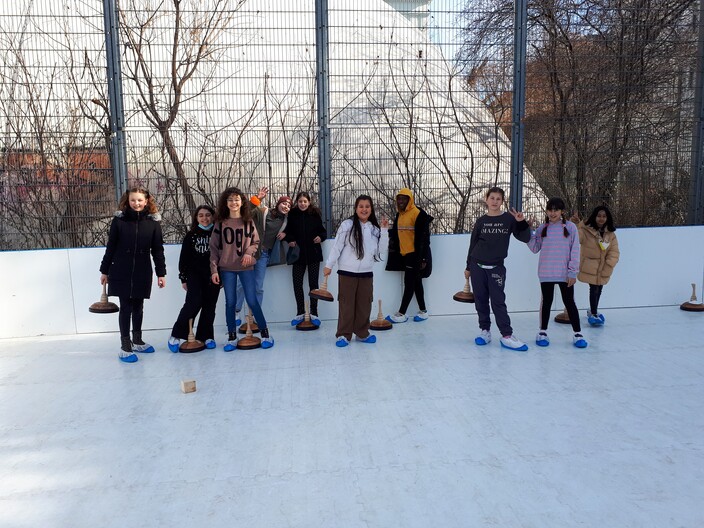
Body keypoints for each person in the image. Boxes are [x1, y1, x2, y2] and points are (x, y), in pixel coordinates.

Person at [99, 187, 166, 363]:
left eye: (140, 200)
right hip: (121, 268)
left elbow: (157, 250)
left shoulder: (153, 223)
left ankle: (137, 340)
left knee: (138, 306)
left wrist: (161, 273)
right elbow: (111, 247)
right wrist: (104, 271)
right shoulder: (119, 221)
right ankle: (125, 346)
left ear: (146, 201)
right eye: (133, 200)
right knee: (126, 307)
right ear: (127, 201)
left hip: (142, 269)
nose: (136, 203)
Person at [465, 187, 531, 351]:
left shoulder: (509, 219)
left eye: (498, 199)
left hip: (496, 268)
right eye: (492, 198)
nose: (495, 201)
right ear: (486, 199)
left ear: (502, 201)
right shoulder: (481, 221)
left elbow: (526, 238)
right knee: (480, 300)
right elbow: (473, 244)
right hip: (477, 266)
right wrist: (468, 267)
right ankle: (485, 331)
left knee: (498, 302)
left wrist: (521, 222)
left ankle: (506, 335)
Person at [210, 187, 274, 350]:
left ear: (242, 201)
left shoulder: (248, 220)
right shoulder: (220, 222)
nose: (234, 202)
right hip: (227, 268)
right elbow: (214, 247)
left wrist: (249, 254)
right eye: (230, 200)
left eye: (237, 199)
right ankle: (232, 336)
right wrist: (214, 270)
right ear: (226, 202)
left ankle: (265, 333)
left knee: (252, 301)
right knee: (230, 302)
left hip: (246, 267)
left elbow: (255, 242)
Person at [528, 197, 587, 348]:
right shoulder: (543, 228)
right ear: (546, 211)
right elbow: (534, 248)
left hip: (564, 274)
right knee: (546, 303)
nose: (553, 213)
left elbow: (575, 250)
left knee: (569, 302)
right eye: (550, 210)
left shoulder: (570, 227)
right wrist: (528, 231)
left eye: (556, 210)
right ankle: (542, 332)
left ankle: (577, 333)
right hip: (546, 273)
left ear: (562, 211)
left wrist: (572, 272)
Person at [323, 195, 382, 347]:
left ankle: (362, 333)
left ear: (371, 209)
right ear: (356, 209)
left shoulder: (374, 229)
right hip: (347, 273)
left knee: (364, 305)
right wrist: (329, 264)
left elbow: (380, 250)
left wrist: (386, 231)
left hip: (366, 273)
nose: (364, 209)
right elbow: (337, 247)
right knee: (346, 305)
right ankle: (343, 334)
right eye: (361, 206)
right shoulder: (347, 225)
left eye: (367, 206)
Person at [167, 205, 220, 352]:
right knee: (193, 303)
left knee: (210, 305)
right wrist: (183, 278)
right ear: (196, 218)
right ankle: (176, 334)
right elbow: (184, 258)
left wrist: (219, 274)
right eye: (201, 215)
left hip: (213, 275)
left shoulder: (217, 234)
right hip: (194, 275)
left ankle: (206, 336)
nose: (205, 218)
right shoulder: (191, 235)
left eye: (208, 215)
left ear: (213, 217)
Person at [384, 188, 433, 323]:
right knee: (416, 282)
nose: (401, 201)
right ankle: (423, 312)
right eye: (399, 198)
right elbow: (396, 233)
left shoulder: (418, 213)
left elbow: (424, 238)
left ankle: (402, 313)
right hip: (404, 254)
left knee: (409, 283)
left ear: (410, 199)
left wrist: (423, 258)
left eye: (404, 198)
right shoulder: (399, 214)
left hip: (415, 254)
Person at [283, 191, 327, 326]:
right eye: (300, 201)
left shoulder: (314, 214)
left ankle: (314, 312)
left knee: (313, 285)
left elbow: (323, 231)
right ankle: (300, 312)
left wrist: (321, 237)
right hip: (298, 255)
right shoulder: (293, 214)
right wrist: (289, 240)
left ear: (309, 202)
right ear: (297, 202)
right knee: (297, 284)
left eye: (305, 201)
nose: (302, 204)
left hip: (313, 254)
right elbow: (288, 232)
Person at [573, 206, 620, 326]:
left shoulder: (611, 234)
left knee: (599, 288)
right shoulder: (586, 231)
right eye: (599, 216)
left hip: (604, 267)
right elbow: (577, 237)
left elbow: (614, 250)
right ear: (594, 216)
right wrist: (578, 224)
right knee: (593, 289)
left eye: (604, 216)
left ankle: (593, 310)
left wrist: (610, 263)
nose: (601, 219)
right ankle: (594, 313)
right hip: (590, 266)